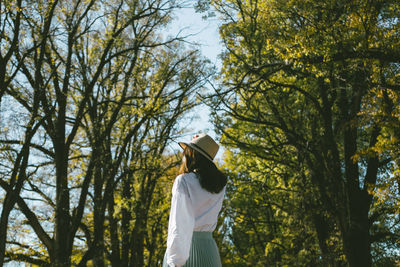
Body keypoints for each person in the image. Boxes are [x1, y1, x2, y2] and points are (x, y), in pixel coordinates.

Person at [162, 133, 227, 267]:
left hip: (185, 250)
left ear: (193, 155)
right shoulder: (220, 185)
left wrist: (174, 261)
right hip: (209, 251)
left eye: (186, 151)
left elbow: (178, 224)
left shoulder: (183, 181)